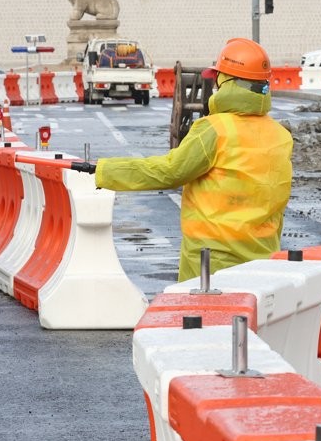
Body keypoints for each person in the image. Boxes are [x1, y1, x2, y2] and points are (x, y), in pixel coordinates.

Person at [72, 38, 293, 282]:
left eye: (219, 79)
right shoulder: (280, 136)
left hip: (212, 264)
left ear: (228, 82)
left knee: (203, 320)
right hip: (263, 263)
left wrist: (104, 171)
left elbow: (170, 171)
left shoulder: (214, 130)